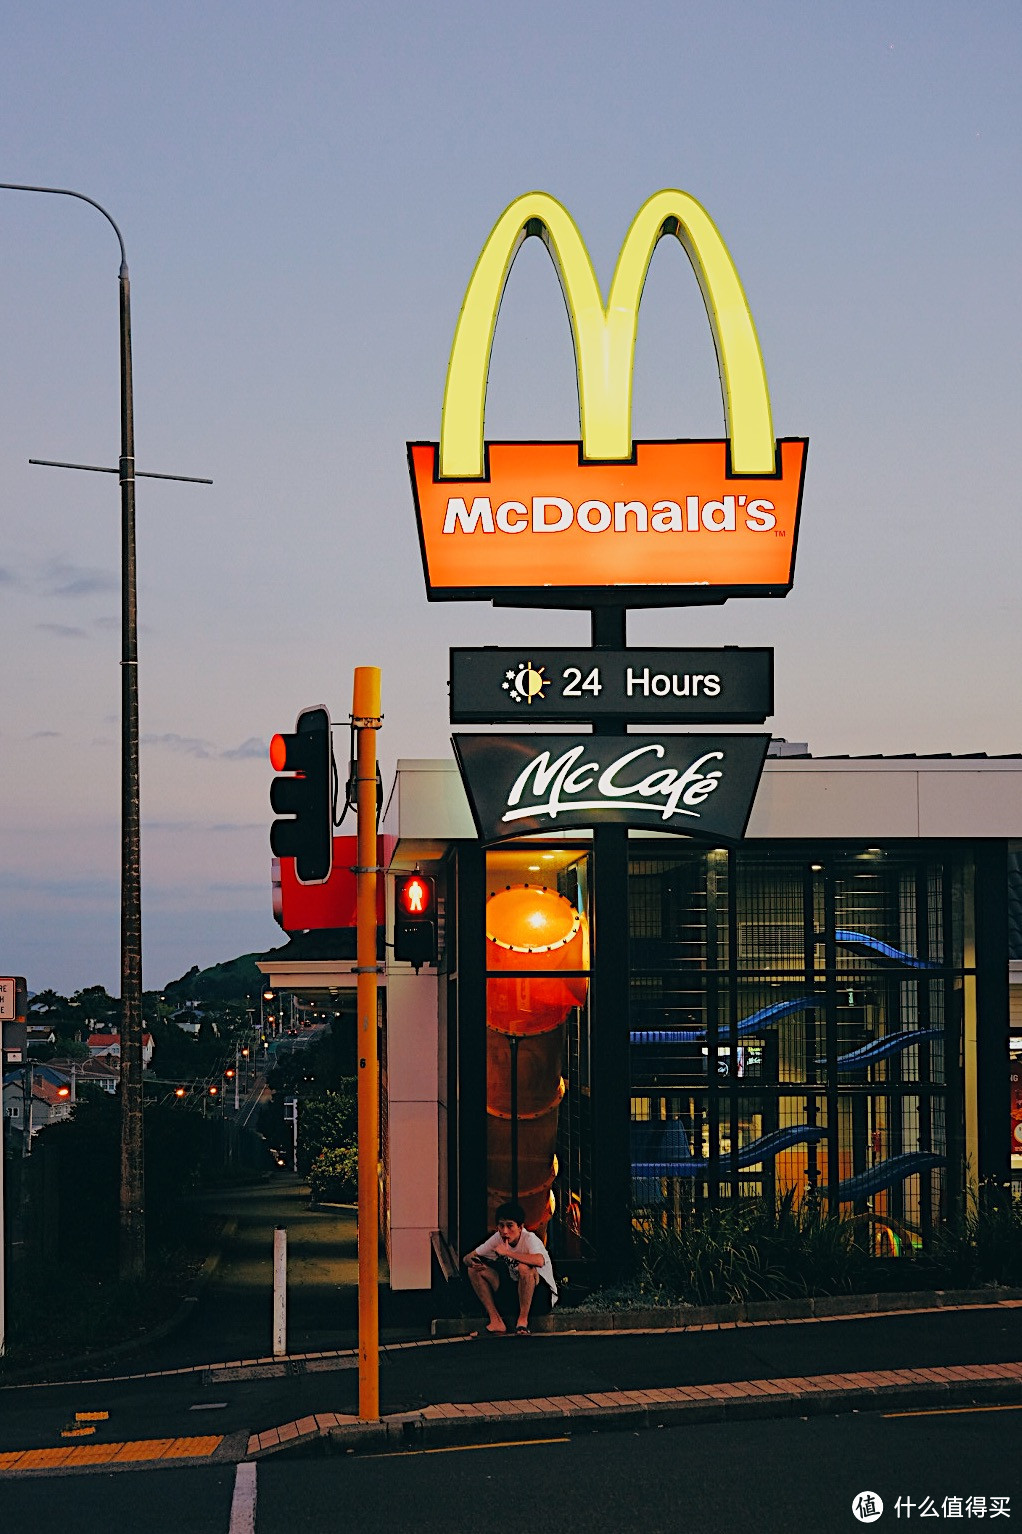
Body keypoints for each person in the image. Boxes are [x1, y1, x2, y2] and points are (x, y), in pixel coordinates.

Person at [463, 1200, 558, 1336]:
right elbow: (467, 1257)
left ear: (520, 1227)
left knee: (524, 1267)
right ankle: (496, 1321)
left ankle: (522, 1322)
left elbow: (539, 1260)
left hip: (540, 1297)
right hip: (515, 1293)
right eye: (501, 1226)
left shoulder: (529, 1238)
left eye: (510, 1226)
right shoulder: (498, 1238)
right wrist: (472, 1261)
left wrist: (508, 1253)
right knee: (474, 1270)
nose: (505, 1231)